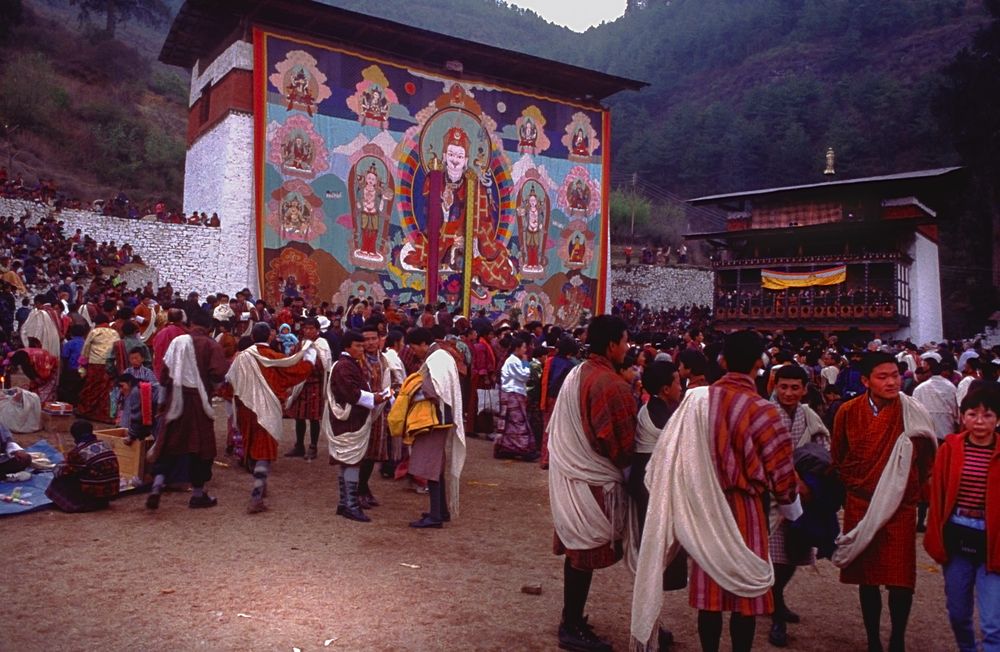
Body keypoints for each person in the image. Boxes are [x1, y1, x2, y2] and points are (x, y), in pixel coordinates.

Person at [631, 330, 802, 652]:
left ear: (721, 361)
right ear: (759, 364)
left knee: (709, 597)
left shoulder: (695, 401)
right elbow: (782, 474)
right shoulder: (765, 412)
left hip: (703, 507)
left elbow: (671, 453)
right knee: (743, 598)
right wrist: (791, 508)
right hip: (747, 510)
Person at [830, 351, 937, 652]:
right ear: (865, 381)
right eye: (883, 376)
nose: (892, 382)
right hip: (861, 501)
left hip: (900, 505)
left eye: (895, 375)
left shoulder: (912, 410)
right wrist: (855, 481)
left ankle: (898, 639)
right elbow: (839, 456)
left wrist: (908, 486)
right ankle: (873, 639)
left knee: (901, 577)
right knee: (868, 577)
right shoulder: (847, 411)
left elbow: (926, 456)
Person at [548, 315, 636, 651]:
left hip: (574, 474)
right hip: (592, 479)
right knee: (583, 553)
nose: (627, 348)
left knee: (578, 553)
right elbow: (622, 443)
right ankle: (570, 625)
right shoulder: (610, 384)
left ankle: (572, 618)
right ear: (612, 344)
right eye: (625, 341)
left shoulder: (578, 372)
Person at [924, 385, 1000, 652]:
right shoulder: (950, 449)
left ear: (998, 419)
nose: (980, 422)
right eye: (973, 414)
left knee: (994, 621)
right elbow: (938, 495)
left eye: (988, 415)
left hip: (994, 540)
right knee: (958, 613)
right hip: (957, 536)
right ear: (962, 416)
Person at [766, 364, 831, 648]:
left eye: (795, 387)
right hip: (770, 495)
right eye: (784, 387)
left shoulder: (809, 415)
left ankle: (775, 599)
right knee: (776, 556)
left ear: (805, 389)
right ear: (774, 386)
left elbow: (821, 446)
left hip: (803, 496)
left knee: (795, 553)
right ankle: (777, 612)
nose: (789, 393)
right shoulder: (765, 414)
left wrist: (810, 478)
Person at [227, 322, 317, 513]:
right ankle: (257, 494)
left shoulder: (241, 357)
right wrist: (309, 357)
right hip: (267, 408)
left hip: (245, 408)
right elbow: (295, 370)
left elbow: (229, 381)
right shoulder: (274, 357)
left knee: (251, 445)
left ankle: (261, 484)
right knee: (264, 449)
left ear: (252, 338)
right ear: (270, 337)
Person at [146, 309, 229, 510]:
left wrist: (161, 405)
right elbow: (218, 375)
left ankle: (157, 486)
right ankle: (198, 495)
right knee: (201, 448)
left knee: (168, 444)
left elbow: (164, 376)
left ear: (190, 324)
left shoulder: (178, 342)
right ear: (209, 328)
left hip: (175, 400)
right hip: (198, 403)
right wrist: (213, 389)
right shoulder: (211, 345)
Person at [627, 359, 684, 647]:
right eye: (677, 381)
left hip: (644, 484)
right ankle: (648, 628)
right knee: (653, 563)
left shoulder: (655, 409)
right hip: (652, 489)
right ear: (665, 389)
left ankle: (652, 625)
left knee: (651, 562)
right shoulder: (663, 416)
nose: (680, 386)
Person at [404, 326, 465, 529]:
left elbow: (433, 390)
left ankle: (435, 516)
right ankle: (441, 511)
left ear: (423, 344)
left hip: (433, 420)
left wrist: (409, 394)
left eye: (414, 347)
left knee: (431, 466)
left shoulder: (436, 358)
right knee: (436, 466)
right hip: (442, 417)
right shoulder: (442, 355)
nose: (413, 352)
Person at [324, 330, 387, 522]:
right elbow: (351, 393)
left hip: (352, 418)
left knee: (347, 460)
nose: (362, 349)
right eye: (358, 346)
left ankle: (346, 503)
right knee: (351, 460)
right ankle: (350, 505)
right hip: (349, 420)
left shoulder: (349, 364)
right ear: (347, 347)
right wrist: (375, 397)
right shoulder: (344, 366)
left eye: (362, 345)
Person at [283, 317, 332, 460]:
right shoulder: (301, 344)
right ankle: (299, 445)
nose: (308, 331)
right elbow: (292, 359)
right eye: (306, 328)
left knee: (313, 418)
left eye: (312, 329)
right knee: (299, 417)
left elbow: (324, 365)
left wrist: (310, 365)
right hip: (300, 384)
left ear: (317, 330)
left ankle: (313, 446)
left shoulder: (321, 345)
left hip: (315, 385)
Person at [45, 420, 119, 512]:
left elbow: (62, 472)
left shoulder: (78, 453)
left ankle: (80, 505)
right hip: (110, 492)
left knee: (59, 481)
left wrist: (59, 466)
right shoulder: (105, 444)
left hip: (94, 493)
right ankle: (101, 501)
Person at [358, 323, 392, 508]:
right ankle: (359, 490)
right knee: (361, 452)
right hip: (362, 411)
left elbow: (389, 382)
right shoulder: (358, 361)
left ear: (379, 340)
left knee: (372, 453)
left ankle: (364, 487)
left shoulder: (384, 360)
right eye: (366, 339)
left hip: (379, 411)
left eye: (374, 339)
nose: (370, 343)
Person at [493, 334, 538, 461]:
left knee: (510, 424)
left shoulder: (513, 360)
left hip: (514, 393)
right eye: (524, 348)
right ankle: (523, 448)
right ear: (517, 348)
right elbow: (524, 376)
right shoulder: (513, 361)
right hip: (512, 393)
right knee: (518, 423)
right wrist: (525, 362)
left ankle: (506, 448)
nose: (525, 350)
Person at [75, 313, 120, 423]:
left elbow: (86, 348)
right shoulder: (115, 332)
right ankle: (106, 415)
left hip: (95, 364)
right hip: (110, 364)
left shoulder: (94, 332)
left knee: (92, 387)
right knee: (107, 389)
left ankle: (87, 411)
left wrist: (82, 365)